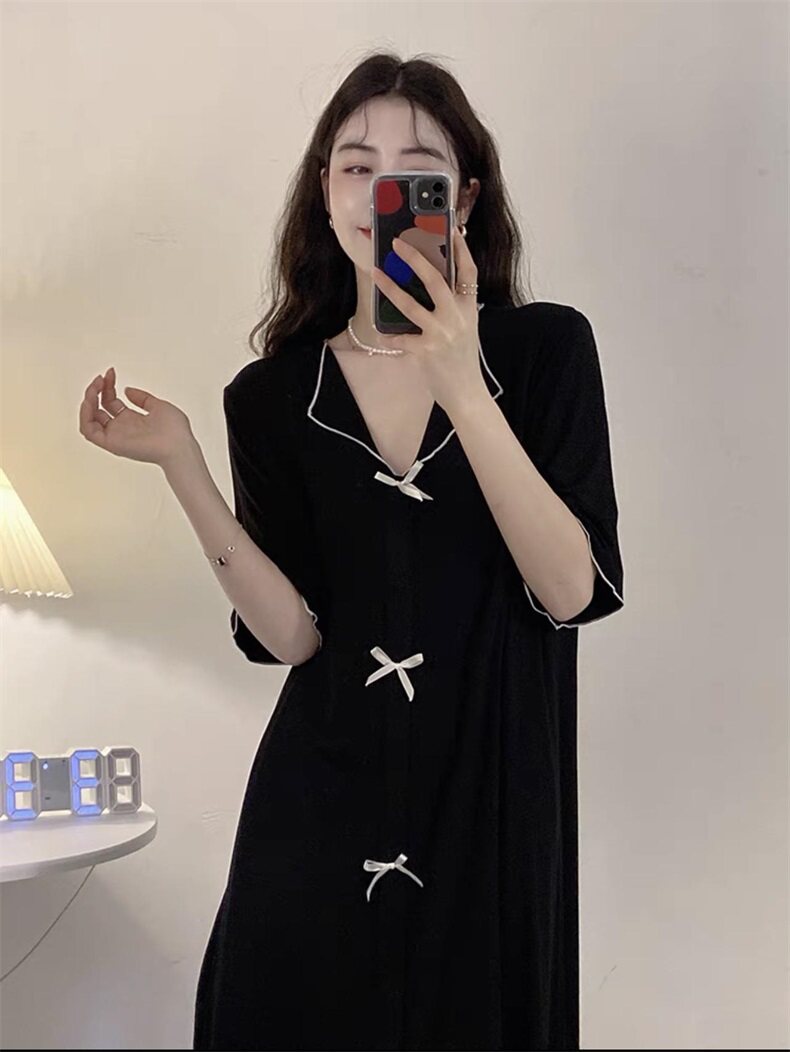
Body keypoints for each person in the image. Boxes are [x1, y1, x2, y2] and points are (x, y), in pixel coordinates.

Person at [79, 51, 625, 1052]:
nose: (383, 191)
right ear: (325, 197)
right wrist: (183, 466)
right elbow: (291, 637)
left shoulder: (547, 351)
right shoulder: (272, 395)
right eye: (355, 166)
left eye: (417, 168)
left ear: (463, 197)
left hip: (491, 817)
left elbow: (567, 589)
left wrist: (460, 380)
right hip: (314, 823)